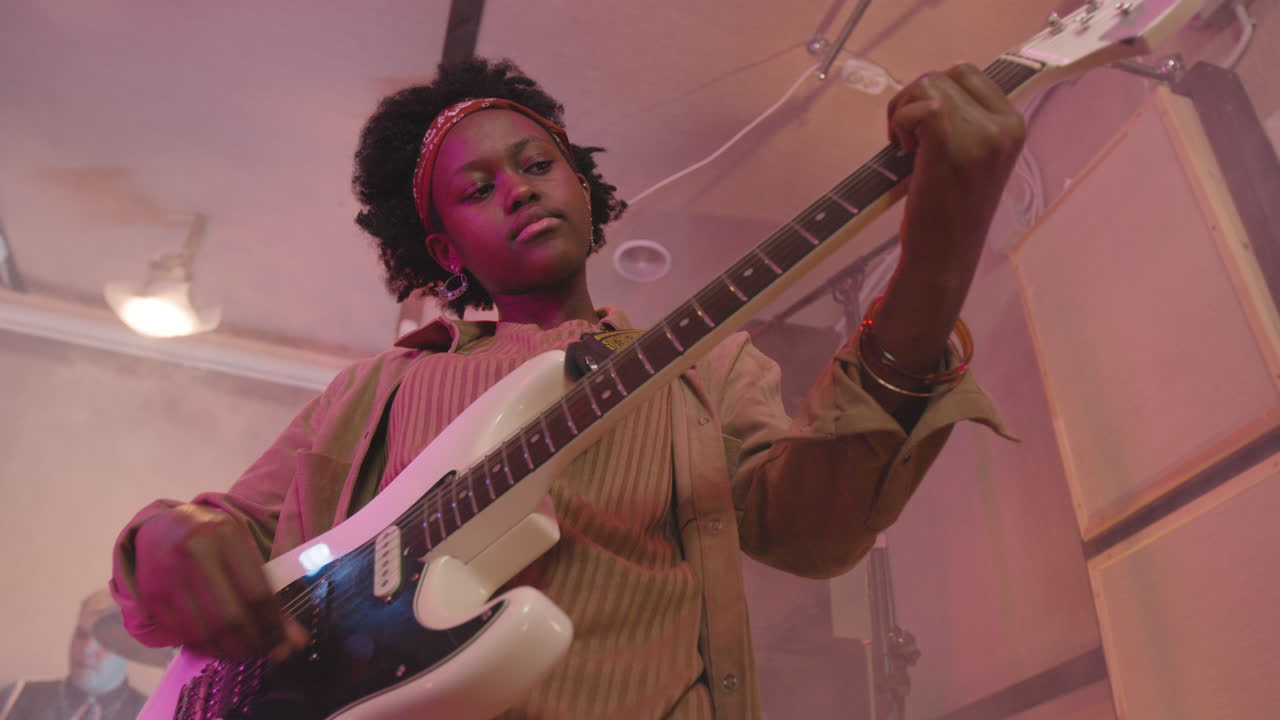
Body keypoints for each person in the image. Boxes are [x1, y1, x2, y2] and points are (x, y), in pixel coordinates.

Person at [110, 56, 1021, 718]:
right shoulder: (369, 389)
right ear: (445, 252)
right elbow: (212, 543)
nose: (517, 189)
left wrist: (937, 260)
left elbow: (816, 533)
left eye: (538, 164)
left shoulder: (708, 369)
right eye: (478, 187)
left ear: (583, 188)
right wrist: (164, 537)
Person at [0, 590, 148, 720]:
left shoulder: (155, 714)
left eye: (103, 641)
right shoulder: (19, 697)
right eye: (81, 635)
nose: (86, 649)